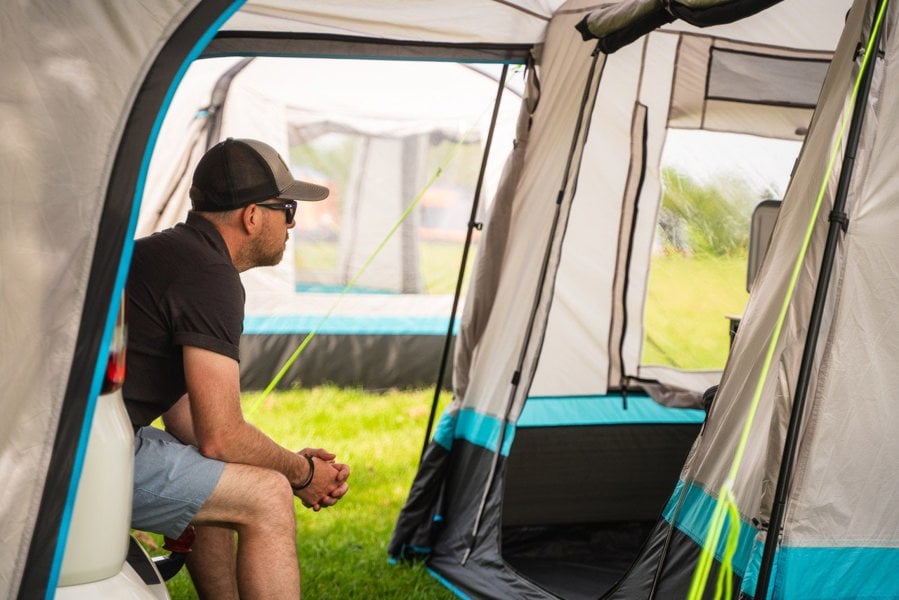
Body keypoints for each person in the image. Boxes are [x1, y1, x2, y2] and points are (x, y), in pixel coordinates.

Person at [123, 138, 350, 599]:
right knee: (265, 496)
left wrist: (286, 462)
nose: (292, 224)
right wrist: (301, 474)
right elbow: (221, 434)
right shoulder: (209, 275)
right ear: (252, 216)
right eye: (287, 209)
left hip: (77, 442)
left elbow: (194, 426)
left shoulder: (169, 254)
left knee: (223, 473)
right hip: (80, 459)